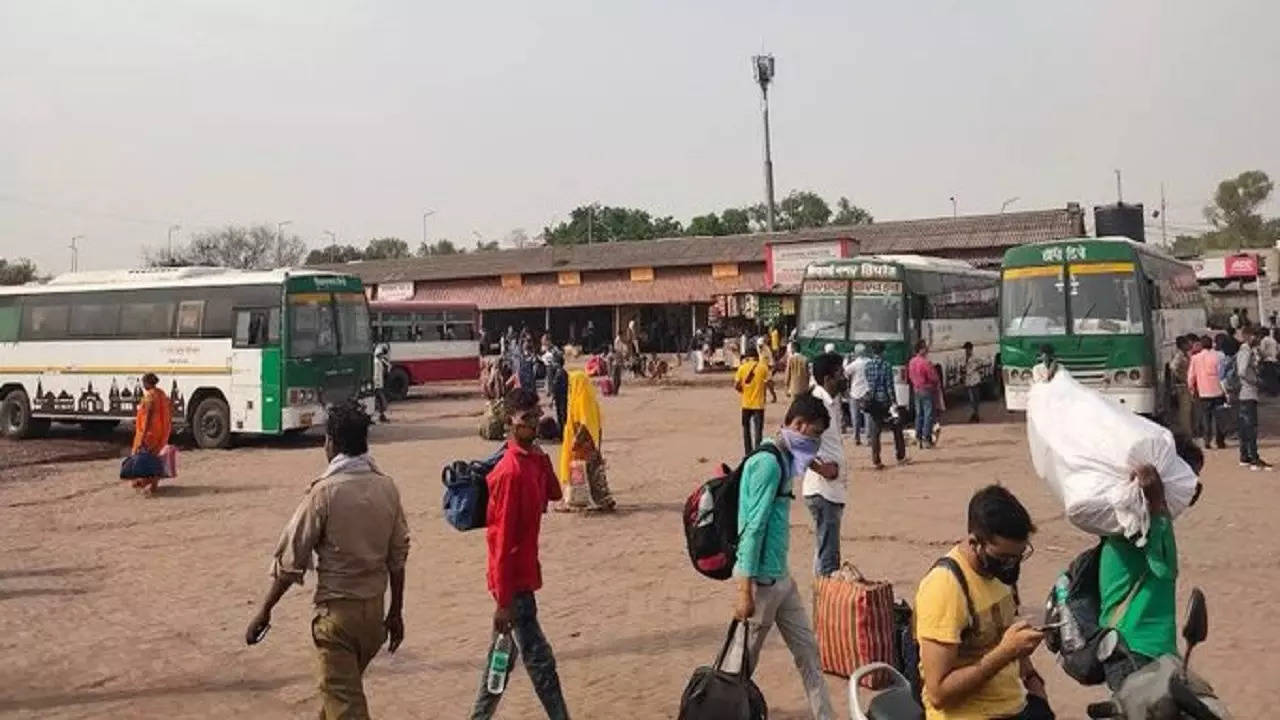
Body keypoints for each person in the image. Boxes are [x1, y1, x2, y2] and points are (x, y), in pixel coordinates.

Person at [245, 401, 410, 719]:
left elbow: (291, 562)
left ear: (331, 443)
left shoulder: (323, 494)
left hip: (337, 623)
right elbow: (398, 557)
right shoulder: (387, 487)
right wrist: (396, 612)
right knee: (337, 698)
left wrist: (264, 611)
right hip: (373, 618)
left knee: (345, 708)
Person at [728, 393, 836, 719]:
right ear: (798, 425)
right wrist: (744, 590)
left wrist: (822, 466)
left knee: (808, 654)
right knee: (738, 668)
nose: (815, 442)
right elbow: (752, 528)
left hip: (782, 579)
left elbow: (805, 462)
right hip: (760, 583)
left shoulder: (785, 456)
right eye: (814, 434)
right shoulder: (768, 464)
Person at [471, 388, 570, 719]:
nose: (535, 423)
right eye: (527, 418)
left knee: (500, 661)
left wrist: (542, 458)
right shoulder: (510, 473)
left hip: (524, 575)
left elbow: (555, 494)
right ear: (511, 422)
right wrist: (503, 602)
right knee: (541, 663)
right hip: (513, 583)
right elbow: (500, 542)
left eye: (537, 415)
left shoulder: (532, 462)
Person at [915, 485, 1052, 720]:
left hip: (1013, 705)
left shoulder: (999, 574)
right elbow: (938, 694)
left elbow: (1007, 635)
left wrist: (1035, 685)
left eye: (1018, 557)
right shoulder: (945, 588)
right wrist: (1006, 652)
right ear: (974, 542)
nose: (1011, 565)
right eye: (1004, 558)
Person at [1099, 435, 1203, 691]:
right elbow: (1163, 569)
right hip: (1136, 647)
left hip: (1144, 645)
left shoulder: (1130, 520)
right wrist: (1157, 508)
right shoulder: (1144, 524)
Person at [803, 354, 847, 576]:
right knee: (828, 560)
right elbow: (794, 441)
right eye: (840, 374)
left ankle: (822, 602)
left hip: (832, 490)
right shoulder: (816, 402)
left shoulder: (831, 402)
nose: (844, 377)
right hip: (823, 490)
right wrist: (821, 468)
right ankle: (824, 607)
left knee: (824, 553)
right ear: (828, 378)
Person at [558, 370, 616, 511]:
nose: (570, 387)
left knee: (584, 473)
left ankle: (580, 501)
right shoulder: (584, 397)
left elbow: (585, 423)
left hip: (584, 444)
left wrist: (576, 440)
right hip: (588, 443)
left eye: (572, 384)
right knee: (591, 473)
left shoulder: (583, 398)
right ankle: (601, 499)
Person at [864, 341, 906, 469]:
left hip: (873, 402)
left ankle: (876, 460)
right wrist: (894, 402)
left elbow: (868, 383)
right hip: (885, 402)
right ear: (883, 351)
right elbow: (889, 386)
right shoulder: (887, 365)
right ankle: (900, 456)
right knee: (897, 428)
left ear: (872, 351)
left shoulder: (868, 365)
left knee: (875, 433)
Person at [129, 372, 172, 495]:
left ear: (148, 383)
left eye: (144, 383)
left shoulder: (149, 397)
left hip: (149, 433)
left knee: (142, 457)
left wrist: (142, 437)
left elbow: (147, 417)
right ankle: (153, 485)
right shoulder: (161, 394)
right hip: (161, 432)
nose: (143, 385)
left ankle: (142, 482)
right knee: (154, 457)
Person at [1235, 327, 1271, 470]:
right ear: (1249, 336)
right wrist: (1255, 380)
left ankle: (1245, 456)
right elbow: (1242, 371)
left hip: (1245, 393)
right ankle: (1252, 456)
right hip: (1248, 392)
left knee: (1245, 427)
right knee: (1250, 427)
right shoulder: (1246, 351)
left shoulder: (1245, 351)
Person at [1187, 334, 1226, 450]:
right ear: (1212, 344)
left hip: (1203, 392)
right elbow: (1223, 374)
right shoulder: (1220, 356)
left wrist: (1192, 389)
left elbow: (1191, 376)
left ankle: (1207, 441)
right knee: (1219, 417)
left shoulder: (1195, 358)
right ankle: (1220, 441)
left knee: (1206, 417)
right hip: (1218, 391)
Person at [735, 346, 771, 455]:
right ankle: (757, 451)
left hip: (746, 404)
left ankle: (748, 451)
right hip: (759, 404)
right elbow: (769, 382)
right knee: (758, 430)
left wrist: (743, 390)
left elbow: (737, 385)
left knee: (746, 429)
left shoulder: (742, 368)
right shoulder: (763, 368)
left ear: (747, 357)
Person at [908, 340, 940, 449]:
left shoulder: (912, 362)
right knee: (928, 415)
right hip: (927, 390)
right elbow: (934, 377)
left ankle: (918, 437)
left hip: (916, 390)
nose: (927, 350)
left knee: (919, 414)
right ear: (921, 350)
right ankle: (927, 438)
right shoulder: (925, 363)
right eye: (925, 348)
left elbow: (910, 376)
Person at [845, 344, 870, 444]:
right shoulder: (869, 362)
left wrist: (847, 361)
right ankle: (868, 438)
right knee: (867, 416)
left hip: (855, 392)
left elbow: (845, 373)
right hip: (867, 392)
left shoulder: (854, 364)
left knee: (855, 417)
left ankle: (856, 438)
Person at [1168, 336, 1193, 437]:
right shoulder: (1179, 356)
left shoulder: (1185, 355)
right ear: (1182, 345)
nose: (1189, 345)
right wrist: (1181, 377)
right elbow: (1173, 367)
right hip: (1182, 386)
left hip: (1186, 384)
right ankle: (1186, 433)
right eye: (1187, 343)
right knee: (1184, 412)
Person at [546, 350, 569, 433]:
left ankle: (563, 434)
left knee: (561, 416)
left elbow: (555, 388)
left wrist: (551, 400)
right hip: (565, 398)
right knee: (564, 415)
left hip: (560, 399)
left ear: (557, 363)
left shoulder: (558, 374)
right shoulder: (565, 373)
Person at [962, 342, 982, 423]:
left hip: (975, 379)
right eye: (965, 349)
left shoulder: (975, 357)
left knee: (975, 398)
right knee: (971, 399)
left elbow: (981, 363)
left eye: (967, 349)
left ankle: (976, 414)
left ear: (970, 349)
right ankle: (974, 414)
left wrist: (975, 368)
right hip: (968, 380)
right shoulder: (964, 358)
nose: (966, 351)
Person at [372, 343, 391, 423]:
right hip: (377, 385)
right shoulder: (376, 362)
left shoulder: (379, 361)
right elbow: (376, 375)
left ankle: (381, 416)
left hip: (379, 384)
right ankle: (380, 416)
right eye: (381, 354)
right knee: (382, 402)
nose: (382, 355)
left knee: (379, 402)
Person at [756, 337, 779, 403]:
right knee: (762, 384)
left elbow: (771, 361)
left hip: (767, 368)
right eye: (759, 345)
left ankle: (774, 397)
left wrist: (771, 370)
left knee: (769, 384)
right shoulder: (758, 348)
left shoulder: (767, 350)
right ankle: (763, 398)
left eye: (761, 345)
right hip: (760, 368)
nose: (760, 347)